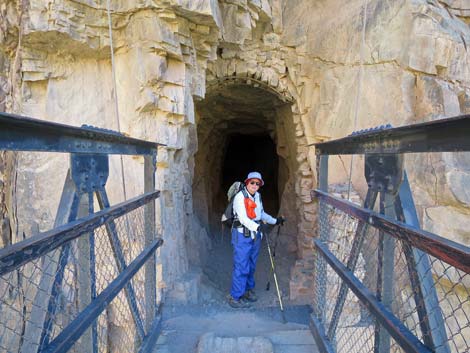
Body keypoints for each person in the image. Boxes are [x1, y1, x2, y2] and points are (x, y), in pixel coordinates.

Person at [228, 171, 285, 308]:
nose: (254, 185)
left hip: (254, 237)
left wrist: (274, 221)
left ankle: (248, 290)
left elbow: (261, 214)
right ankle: (235, 297)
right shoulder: (240, 197)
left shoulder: (257, 196)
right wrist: (258, 228)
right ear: (247, 182)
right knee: (242, 265)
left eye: (257, 183)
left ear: (260, 185)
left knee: (251, 264)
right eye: (252, 182)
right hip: (242, 235)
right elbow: (242, 218)